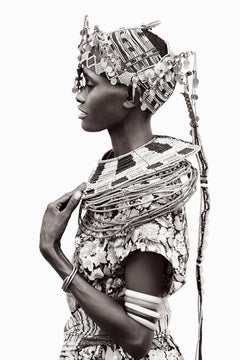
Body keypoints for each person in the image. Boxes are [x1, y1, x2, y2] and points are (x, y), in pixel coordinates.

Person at [40, 16, 209, 360]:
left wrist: (52, 252)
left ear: (132, 96)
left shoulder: (152, 191)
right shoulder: (117, 177)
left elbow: (137, 339)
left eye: (90, 84)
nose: (78, 93)